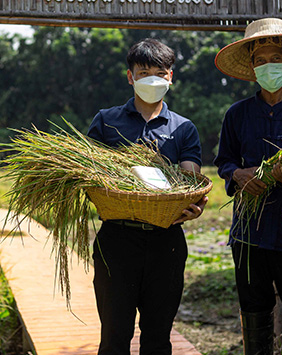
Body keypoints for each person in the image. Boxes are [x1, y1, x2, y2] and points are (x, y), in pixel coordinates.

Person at [213, 18, 282, 355]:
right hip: (249, 235)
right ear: (251, 67)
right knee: (254, 313)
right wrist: (239, 175)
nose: (268, 66)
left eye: (275, 58)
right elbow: (224, 162)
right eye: (260, 60)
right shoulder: (236, 115)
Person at [87, 38, 208, 355]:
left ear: (170, 77)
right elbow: (88, 176)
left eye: (159, 72)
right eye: (143, 72)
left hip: (165, 243)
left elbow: (189, 178)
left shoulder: (183, 129)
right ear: (130, 77)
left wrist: (192, 202)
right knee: (114, 338)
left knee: (157, 339)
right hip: (117, 241)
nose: (152, 79)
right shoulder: (106, 121)